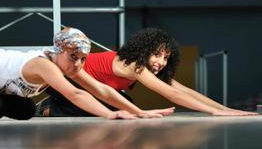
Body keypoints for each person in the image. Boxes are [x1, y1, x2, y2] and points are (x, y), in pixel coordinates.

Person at [37, 27, 258, 117]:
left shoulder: (146, 67)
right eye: (157, 55)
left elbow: (185, 90)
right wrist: (215, 113)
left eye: (166, 58)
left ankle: (56, 107)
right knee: (120, 106)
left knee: (124, 101)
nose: (161, 62)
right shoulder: (136, 65)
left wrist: (224, 108)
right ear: (144, 51)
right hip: (68, 80)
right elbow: (173, 95)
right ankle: (51, 110)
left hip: (90, 88)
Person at [0, 27, 136, 120]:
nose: (77, 64)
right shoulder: (44, 65)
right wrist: (109, 114)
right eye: (73, 56)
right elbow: (76, 94)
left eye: (83, 59)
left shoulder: (67, 66)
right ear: (58, 50)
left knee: (25, 110)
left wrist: (139, 111)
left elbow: (100, 89)